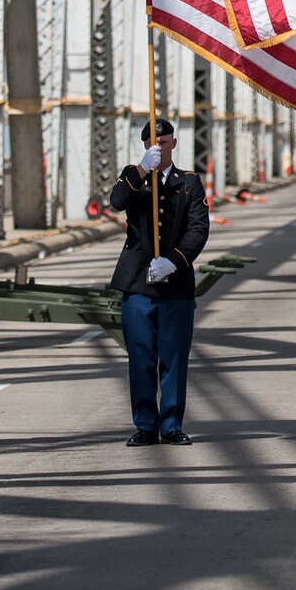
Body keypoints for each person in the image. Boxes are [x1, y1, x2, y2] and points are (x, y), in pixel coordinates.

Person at [108, 117, 209, 446]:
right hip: (138, 282)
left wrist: (174, 261)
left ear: (174, 144)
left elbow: (198, 229)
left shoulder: (190, 182)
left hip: (175, 283)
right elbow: (117, 201)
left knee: (174, 357)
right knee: (140, 357)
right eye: (152, 143)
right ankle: (145, 425)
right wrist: (140, 169)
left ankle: (171, 424)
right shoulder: (133, 175)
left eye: (163, 143)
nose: (158, 148)